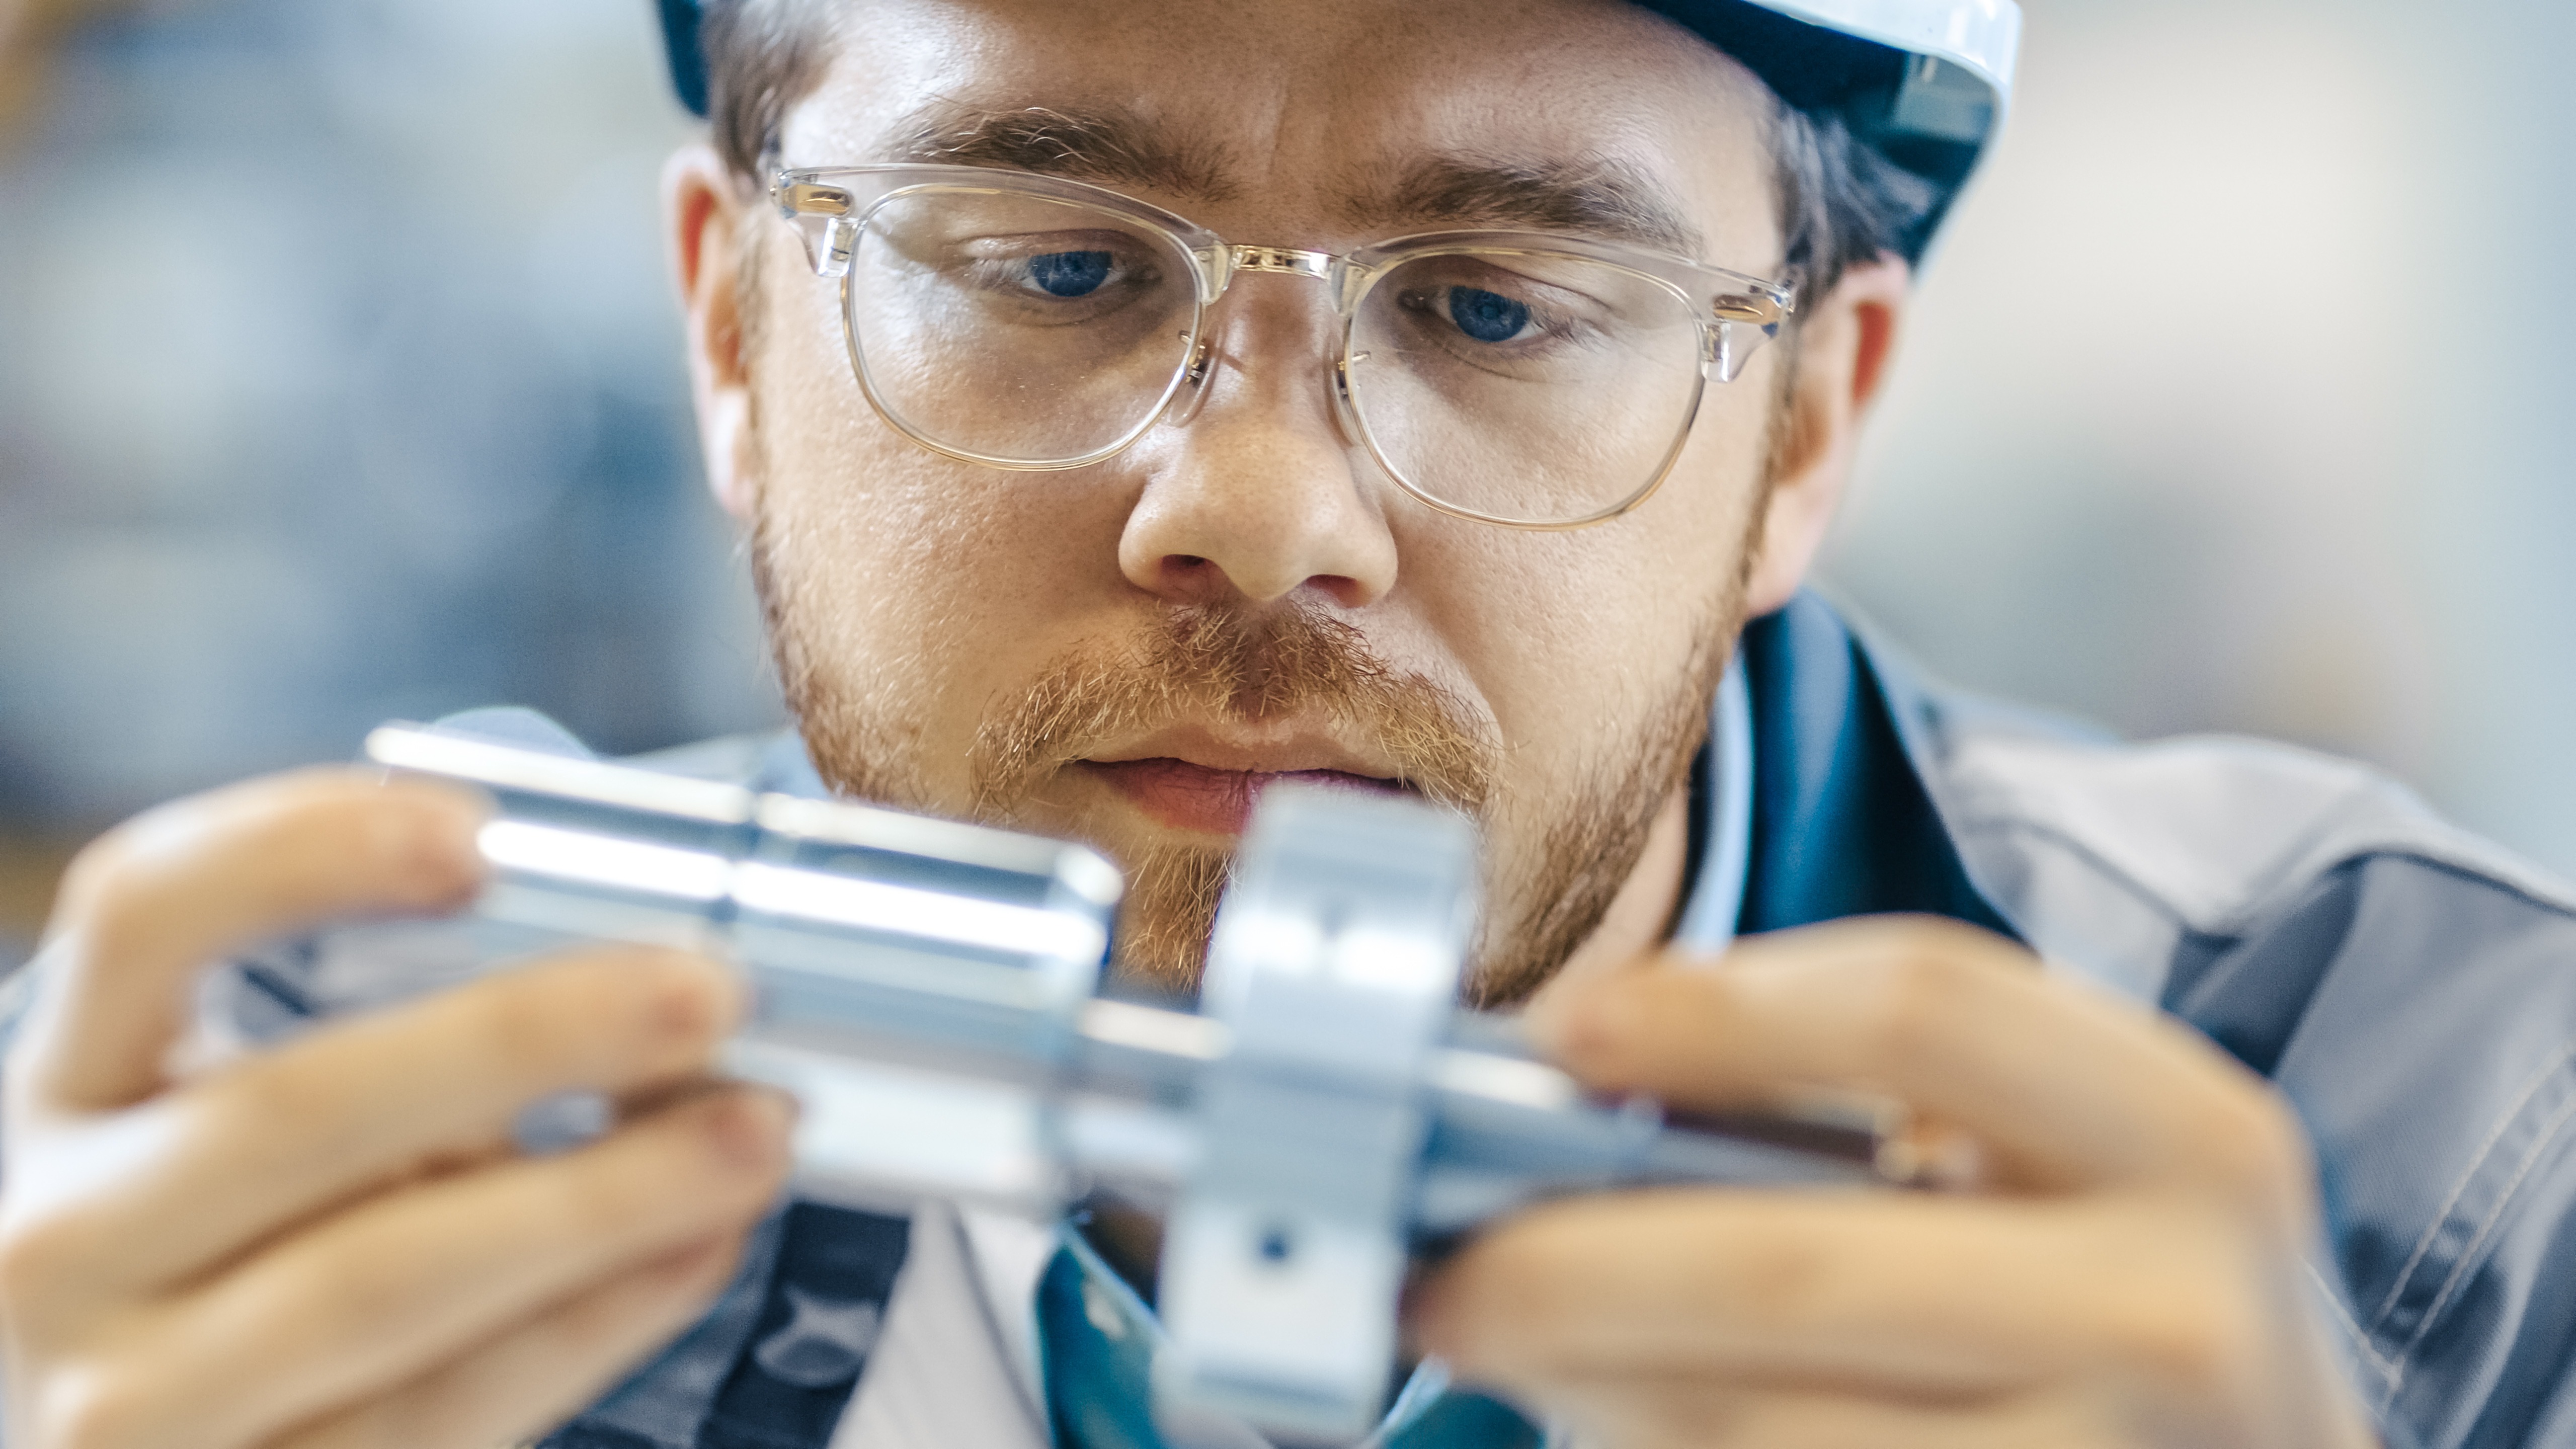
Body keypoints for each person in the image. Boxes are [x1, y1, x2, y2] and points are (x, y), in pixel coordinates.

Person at [6, 1, 2575, 1445]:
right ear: (727, 335)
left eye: (1490, 305)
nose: (1256, 510)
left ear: (1802, 431)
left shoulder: (2449, 1128)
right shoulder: (214, 1180)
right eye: (1044, 260)